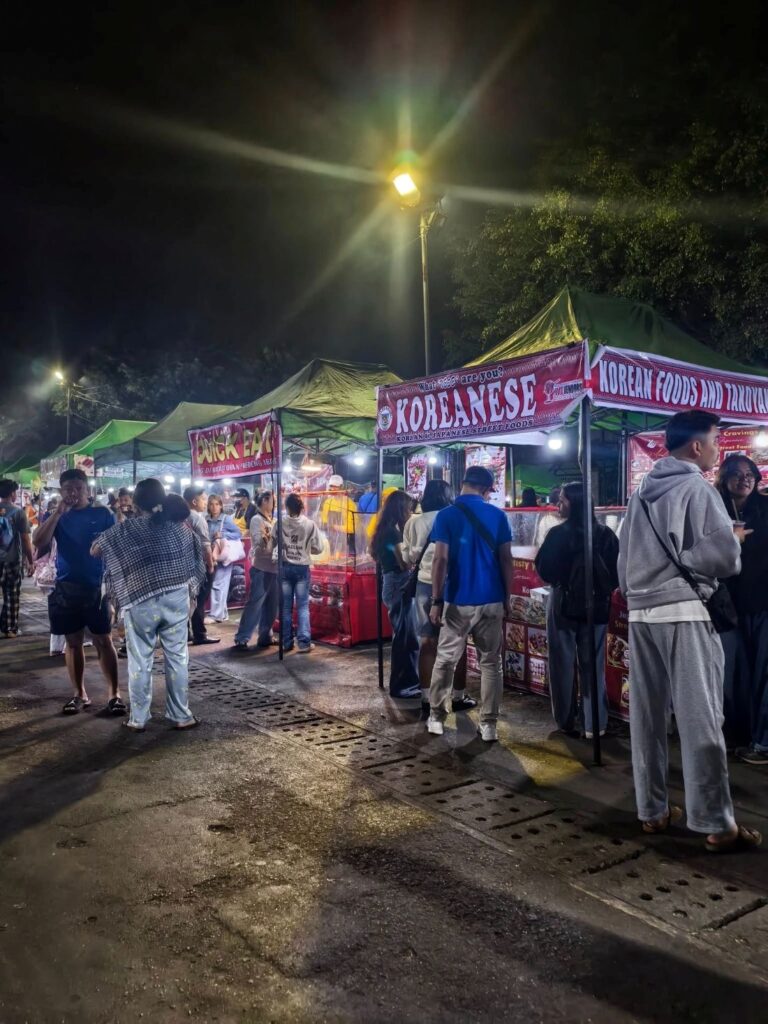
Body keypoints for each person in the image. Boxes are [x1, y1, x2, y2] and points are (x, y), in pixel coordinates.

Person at [618, 410, 761, 852]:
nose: (718, 448)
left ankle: (653, 811)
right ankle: (717, 824)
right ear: (697, 446)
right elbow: (723, 559)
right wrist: (732, 541)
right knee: (702, 719)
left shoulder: (641, 492)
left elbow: (624, 561)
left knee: (647, 718)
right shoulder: (696, 487)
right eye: (715, 440)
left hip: (641, 615)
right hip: (682, 609)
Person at [93, 479, 205, 732]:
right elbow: (197, 558)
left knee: (140, 660)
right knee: (177, 657)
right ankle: (181, 716)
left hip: (140, 601)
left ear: (136, 502)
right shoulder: (180, 527)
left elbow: (95, 550)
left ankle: (139, 718)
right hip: (177, 599)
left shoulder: (126, 529)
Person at [426, 466, 514, 740]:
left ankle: (437, 717)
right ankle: (488, 725)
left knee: (446, 660)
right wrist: (507, 597)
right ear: (487, 490)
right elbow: (506, 560)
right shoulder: (498, 516)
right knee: (491, 664)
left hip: (458, 601)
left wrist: (436, 600)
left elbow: (439, 560)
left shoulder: (446, 515)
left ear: (462, 483)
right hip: (492, 600)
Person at [33, 468, 125, 716]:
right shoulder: (57, 516)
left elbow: (116, 546)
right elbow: (38, 541)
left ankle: (114, 694)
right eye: (68, 489)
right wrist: (56, 514)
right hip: (65, 588)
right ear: (61, 491)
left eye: (78, 488)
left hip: (97, 588)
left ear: (87, 490)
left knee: (104, 640)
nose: (73, 493)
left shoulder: (103, 514)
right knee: (72, 643)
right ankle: (78, 694)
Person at [535, 480, 619, 739]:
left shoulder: (557, 534)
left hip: (563, 603)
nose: (558, 504)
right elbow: (617, 574)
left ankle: (565, 720)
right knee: (593, 664)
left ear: (575, 502)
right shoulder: (606, 534)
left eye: (562, 500)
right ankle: (595, 724)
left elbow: (544, 570)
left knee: (562, 662)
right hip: (598, 605)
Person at [402, 480, 473, 712]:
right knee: (458, 641)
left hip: (424, 585)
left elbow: (409, 557)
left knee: (428, 642)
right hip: (453, 585)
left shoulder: (414, 522)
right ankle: (458, 696)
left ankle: (426, 698)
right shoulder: (455, 517)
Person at [716, 454, 768, 765]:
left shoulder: (764, 508)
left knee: (764, 672)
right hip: (727, 608)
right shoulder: (715, 510)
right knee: (734, 675)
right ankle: (740, 733)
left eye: (749, 473)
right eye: (736, 473)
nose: (744, 478)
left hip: (762, 604)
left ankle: (762, 742)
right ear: (724, 478)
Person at [371, 489, 420, 698]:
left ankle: (405, 684)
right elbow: (403, 562)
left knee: (403, 635)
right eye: (409, 509)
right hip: (397, 584)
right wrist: (416, 554)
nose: (411, 513)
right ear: (401, 509)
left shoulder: (383, 530)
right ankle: (403, 686)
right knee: (405, 638)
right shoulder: (393, 532)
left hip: (390, 583)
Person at [233, 490, 279, 651]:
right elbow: (258, 544)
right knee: (255, 603)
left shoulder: (273, 520)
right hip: (261, 567)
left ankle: (265, 636)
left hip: (275, 568)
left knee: (272, 605)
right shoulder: (256, 520)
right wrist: (266, 538)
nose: (274, 503)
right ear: (265, 501)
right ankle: (242, 637)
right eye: (272, 500)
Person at [280, 492, 323, 652]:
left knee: (285, 608)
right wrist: (305, 549)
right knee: (303, 606)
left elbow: (273, 543)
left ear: (287, 507)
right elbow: (319, 548)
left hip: (284, 567)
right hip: (302, 568)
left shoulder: (280, 523)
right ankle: (304, 643)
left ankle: (286, 642)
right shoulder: (309, 524)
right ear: (301, 507)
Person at [183, 485, 219, 646]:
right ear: (194, 501)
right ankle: (200, 634)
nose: (206, 502)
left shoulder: (177, 516)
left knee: (185, 599)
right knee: (199, 599)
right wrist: (210, 565)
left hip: (182, 565)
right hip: (198, 565)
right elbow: (205, 544)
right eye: (203, 499)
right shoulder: (197, 518)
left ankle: (185, 634)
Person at [0, 479, 34, 638]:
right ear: (13, 493)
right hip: (13, 560)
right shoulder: (18, 512)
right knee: (11, 594)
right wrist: (31, 560)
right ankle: (10, 629)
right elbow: (26, 539)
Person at [206, 494, 242, 623]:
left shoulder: (225, 519)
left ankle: (216, 615)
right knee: (219, 585)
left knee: (218, 584)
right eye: (211, 504)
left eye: (216, 504)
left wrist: (223, 534)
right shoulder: (206, 519)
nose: (214, 507)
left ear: (221, 505)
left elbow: (238, 533)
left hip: (224, 557)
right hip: (212, 555)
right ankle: (222, 614)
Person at [320, 475, 357, 562]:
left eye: (336, 486)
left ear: (341, 487)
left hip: (345, 542)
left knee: (342, 561)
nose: (333, 489)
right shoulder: (328, 503)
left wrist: (335, 527)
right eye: (331, 486)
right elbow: (324, 522)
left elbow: (352, 528)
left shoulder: (349, 503)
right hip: (330, 541)